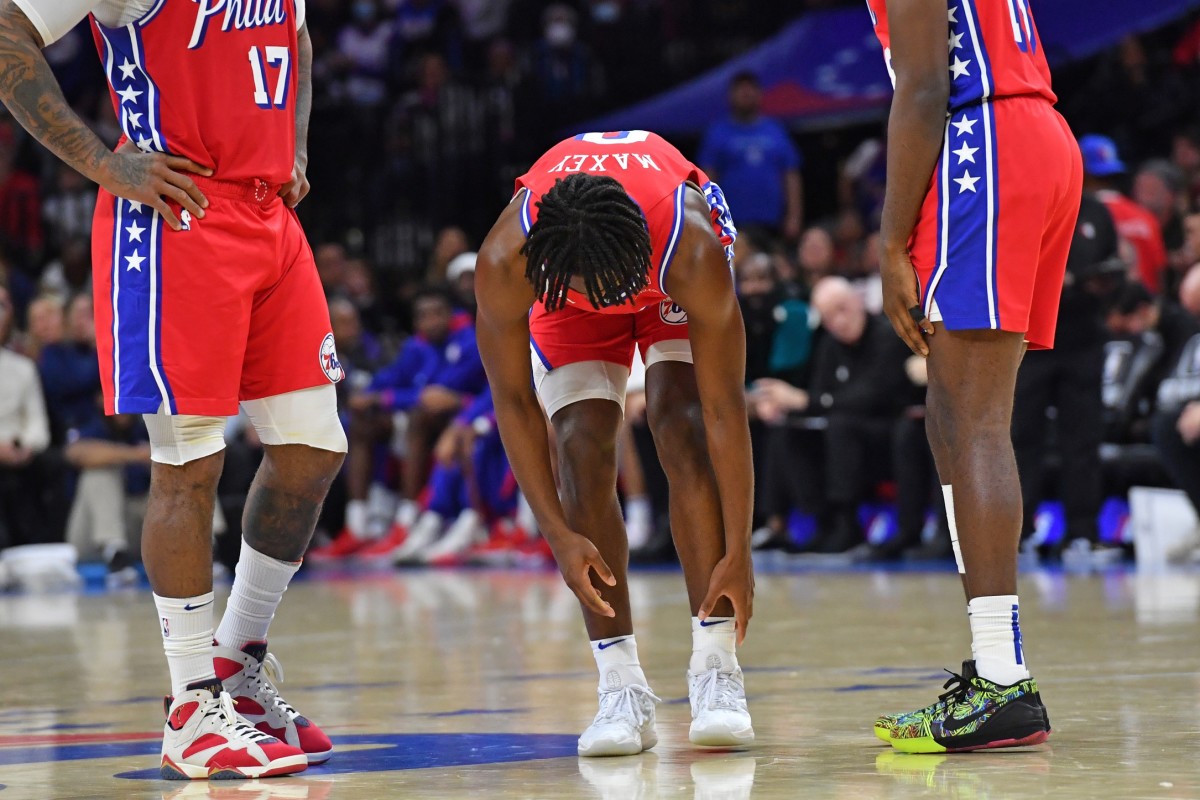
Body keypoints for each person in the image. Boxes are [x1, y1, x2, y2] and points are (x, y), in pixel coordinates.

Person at [0, 0, 347, 779]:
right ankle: (191, 709)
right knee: (189, 462)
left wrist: (291, 143)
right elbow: (6, 29)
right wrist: (99, 161)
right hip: (178, 213)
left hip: (269, 216)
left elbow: (294, 35)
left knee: (315, 451)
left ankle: (235, 669)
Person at [475, 130, 755, 757]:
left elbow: (724, 409)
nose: (610, 304)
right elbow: (515, 405)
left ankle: (716, 670)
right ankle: (619, 686)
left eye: (612, 288)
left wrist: (740, 550)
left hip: (658, 272)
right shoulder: (507, 260)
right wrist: (556, 533)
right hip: (573, 280)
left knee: (680, 423)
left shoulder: (692, 246)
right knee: (579, 447)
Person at [866, 0, 1081, 753]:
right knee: (950, 415)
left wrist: (891, 242)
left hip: (984, 142)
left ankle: (1004, 681)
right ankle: (995, 671)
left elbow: (922, 88)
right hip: (1029, 137)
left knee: (978, 417)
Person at [698, 71, 803, 244]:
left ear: (760, 94)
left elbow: (791, 175)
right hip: (732, 223)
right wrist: (709, 217)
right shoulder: (717, 133)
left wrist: (794, 216)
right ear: (730, 96)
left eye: (750, 89)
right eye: (741, 90)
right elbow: (706, 179)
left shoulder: (775, 131)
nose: (746, 94)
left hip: (773, 223)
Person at [1079, 134, 1168, 293]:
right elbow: (1160, 273)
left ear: (1082, 171)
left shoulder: (1082, 217)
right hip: (1145, 310)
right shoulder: (1145, 217)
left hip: (1105, 312)